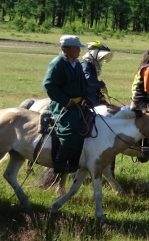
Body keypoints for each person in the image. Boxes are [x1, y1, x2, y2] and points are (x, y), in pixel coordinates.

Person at [43, 35, 89, 174]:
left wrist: (85, 97)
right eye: (76, 48)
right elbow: (49, 85)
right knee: (71, 128)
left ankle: (75, 161)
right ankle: (60, 162)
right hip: (62, 105)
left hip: (78, 103)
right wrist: (65, 101)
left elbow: (83, 83)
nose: (79, 50)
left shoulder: (76, 64)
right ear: (66, 49)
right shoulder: (57, 63)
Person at [81, 40, 113, 107]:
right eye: (101, 56)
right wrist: (101, 85)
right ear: (94, 53)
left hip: (92, 99)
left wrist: (100, 96)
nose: (102, 58)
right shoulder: (85, 65)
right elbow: (88, 79)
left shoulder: (92, 65)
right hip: (86, 100)